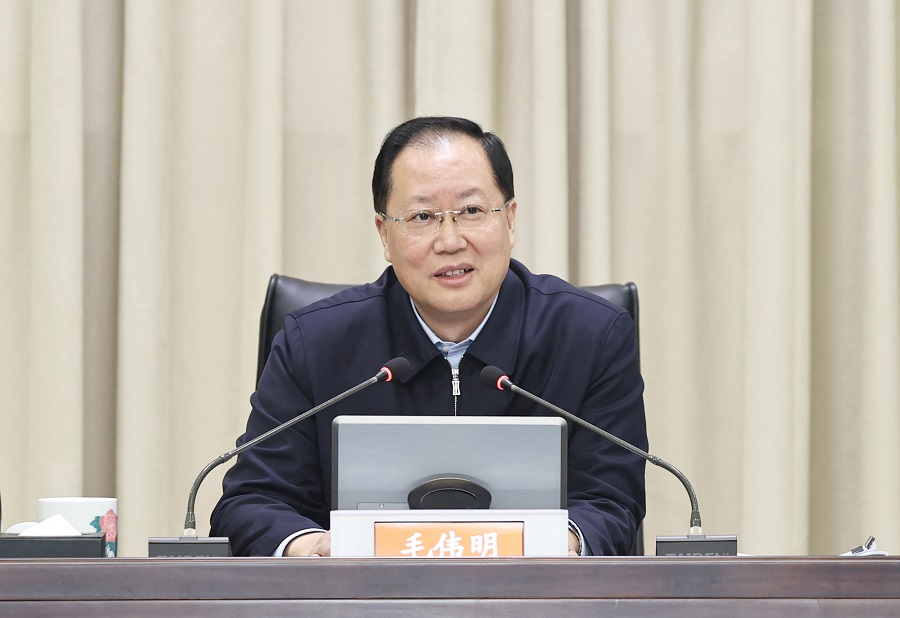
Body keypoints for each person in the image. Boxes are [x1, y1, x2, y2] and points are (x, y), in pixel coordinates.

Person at [210, 116, 647, 557]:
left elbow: (611, 501)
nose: (450, 241)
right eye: (422, 217)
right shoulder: (315, 343)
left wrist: (562, 544)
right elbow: (252, 501)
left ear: (510, 220)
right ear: (385, 234)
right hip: (361, 594)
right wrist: (313, 548)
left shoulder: (591, 336)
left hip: (536, 591)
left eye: (471, 211)